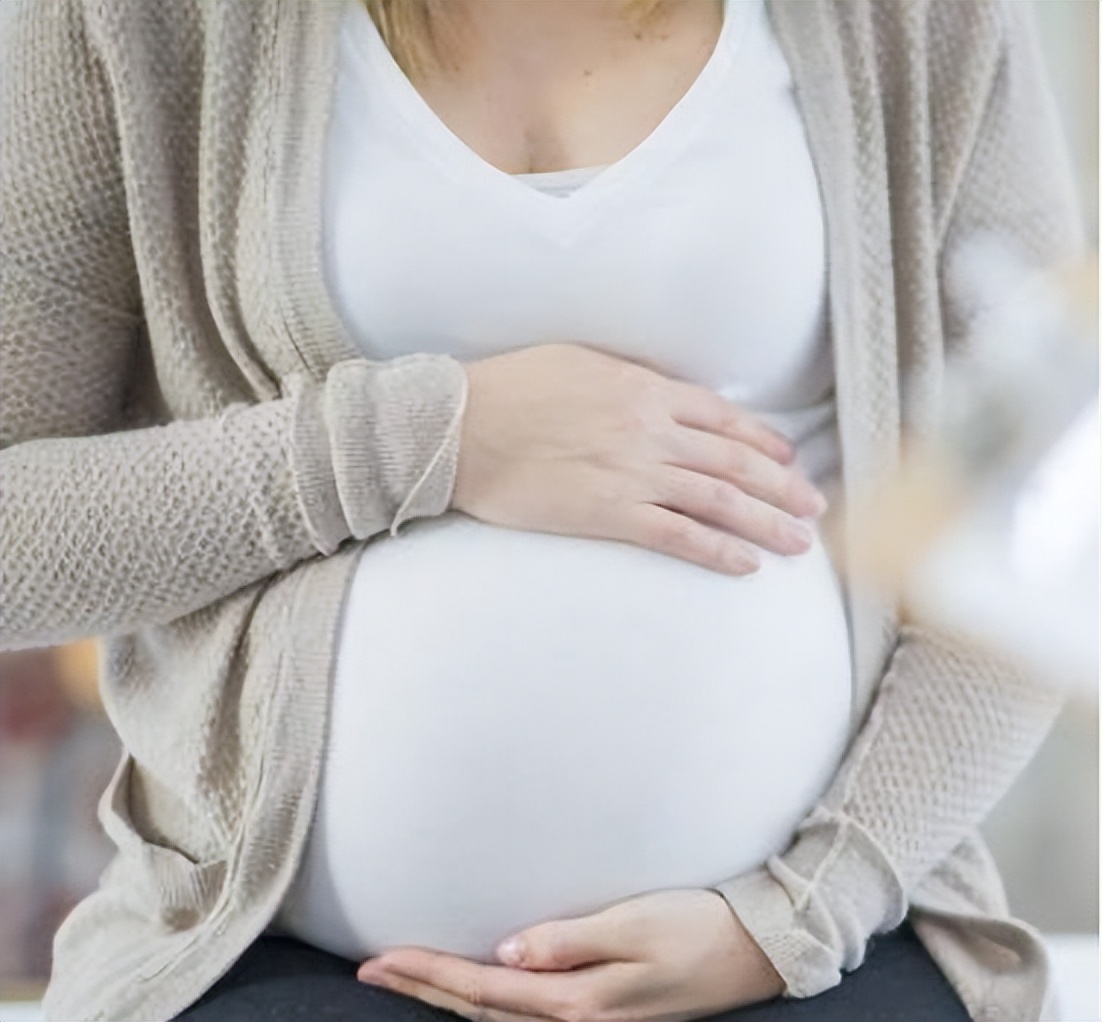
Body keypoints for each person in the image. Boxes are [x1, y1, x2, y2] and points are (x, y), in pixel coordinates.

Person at [0, 0, 1082, 1020]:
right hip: (276, 950)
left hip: (819, 945)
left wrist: (806, 909)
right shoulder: (141, 23)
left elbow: (1048, 507)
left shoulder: (914, 21)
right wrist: (432, 437)